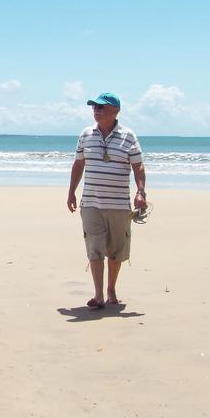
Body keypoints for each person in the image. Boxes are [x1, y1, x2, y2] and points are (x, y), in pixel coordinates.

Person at [66, 92, 147, 309]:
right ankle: (98, 294)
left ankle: (111, 289)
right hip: (91, 203)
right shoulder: (86, 134)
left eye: (101, 107)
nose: (96, 110)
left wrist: (140, 192)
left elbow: (137, 166)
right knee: (94, 248)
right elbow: (78, 164)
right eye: (94, 107)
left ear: (115, 111)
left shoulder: (128, 136)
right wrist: (71, 191)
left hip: (119, 204)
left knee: (116, 250)